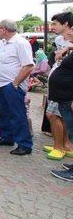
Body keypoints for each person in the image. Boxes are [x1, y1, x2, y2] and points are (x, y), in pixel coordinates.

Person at [0, 19, 34, 155]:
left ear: (3, 29)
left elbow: (28, 65)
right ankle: (6, 137)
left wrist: (15, 83)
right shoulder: (4, 42)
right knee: (4, 113)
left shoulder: (20, 43)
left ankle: (24, 144)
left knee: (17, 114)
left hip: (12, 85)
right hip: (1, 84)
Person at [43, 12, 73, 161]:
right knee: (58, 115)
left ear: (67, 24)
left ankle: (59, 147)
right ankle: (64, 144)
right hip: (57, 85)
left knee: (53, 115)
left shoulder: (69, 40)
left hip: (64, 88)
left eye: (55, 23)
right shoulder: (60, 40)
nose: (52, 26)